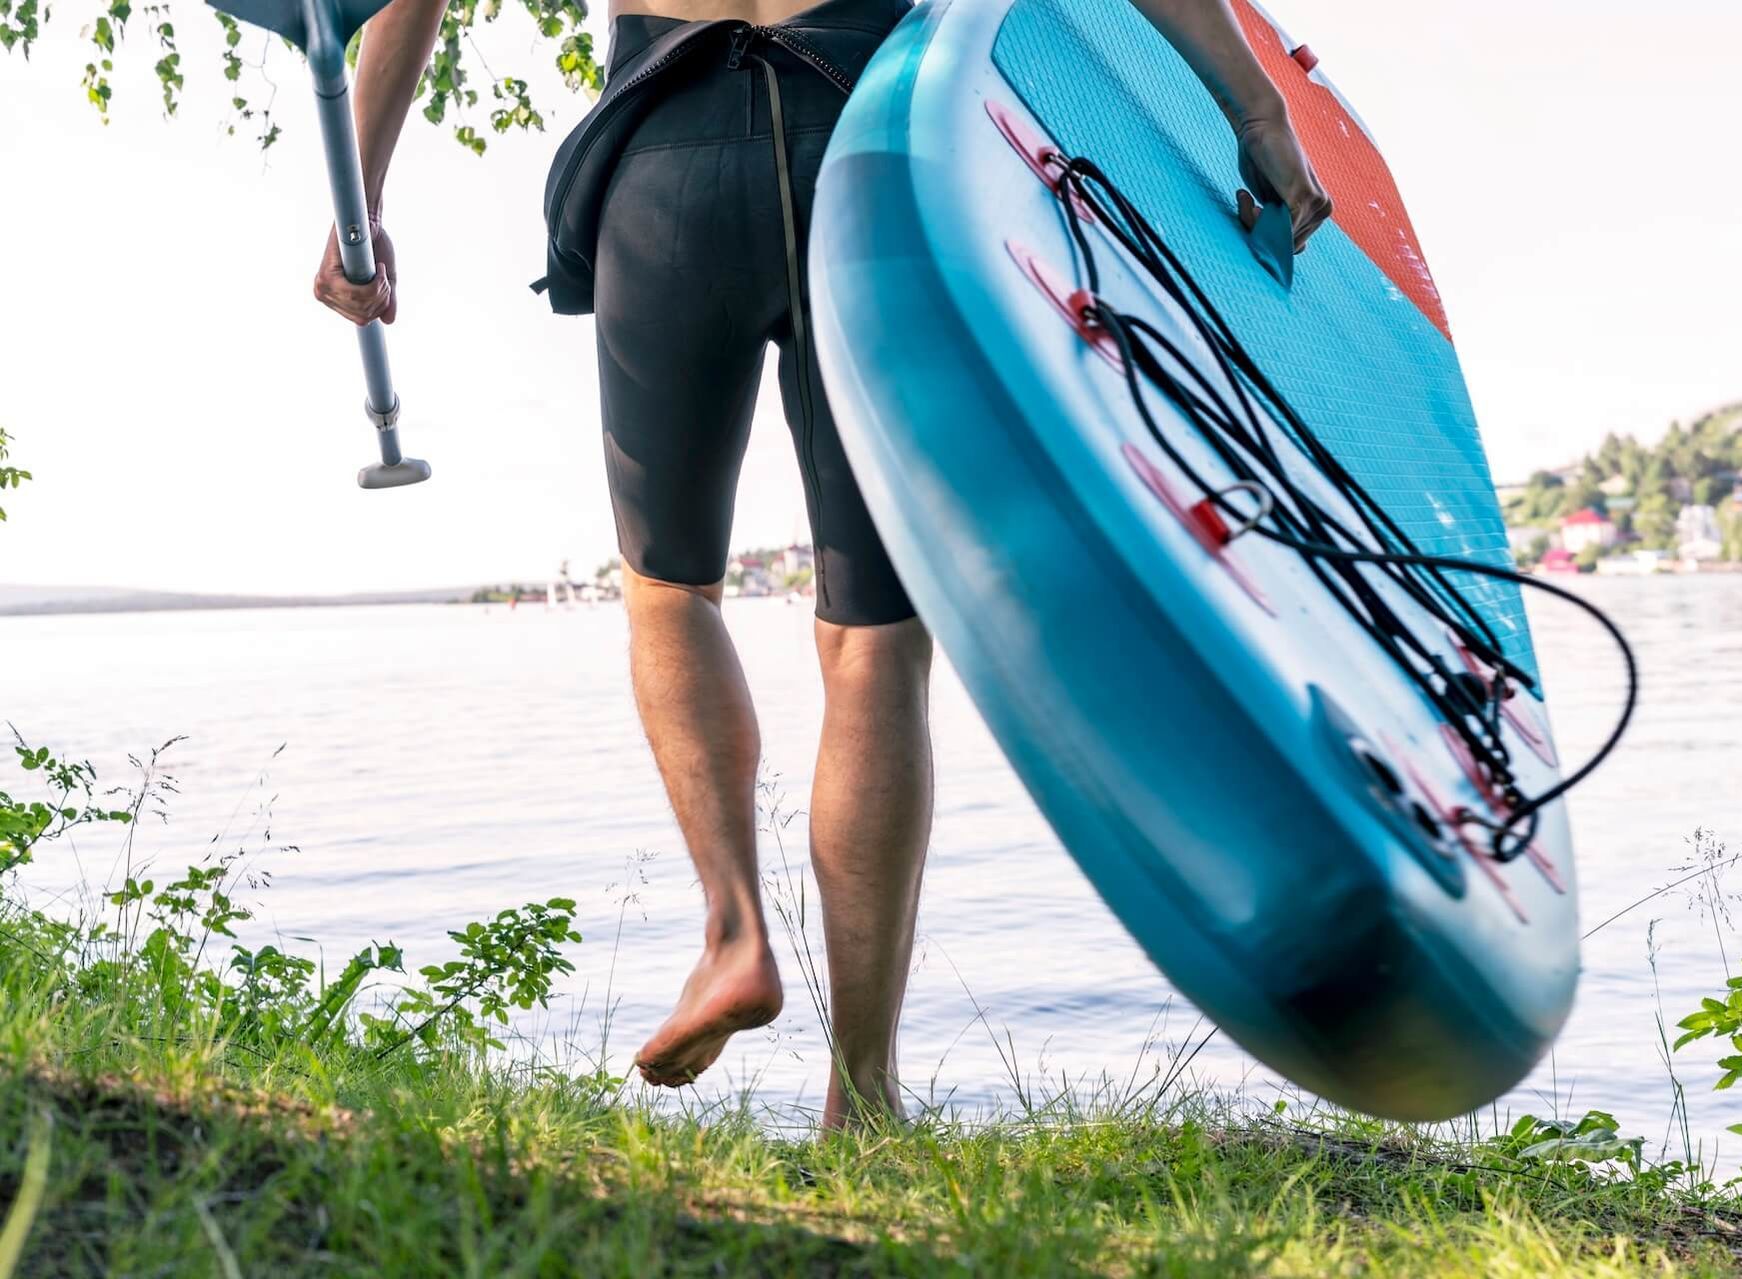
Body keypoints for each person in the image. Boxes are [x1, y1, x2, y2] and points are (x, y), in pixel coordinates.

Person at [314, 0, 1330, 1129]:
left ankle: (734, 931)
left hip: (664, 166)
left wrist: (357, 205)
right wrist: (1256, 104)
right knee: (874, 643)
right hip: (869, 153)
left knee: (669, 592)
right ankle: (864, 1093)